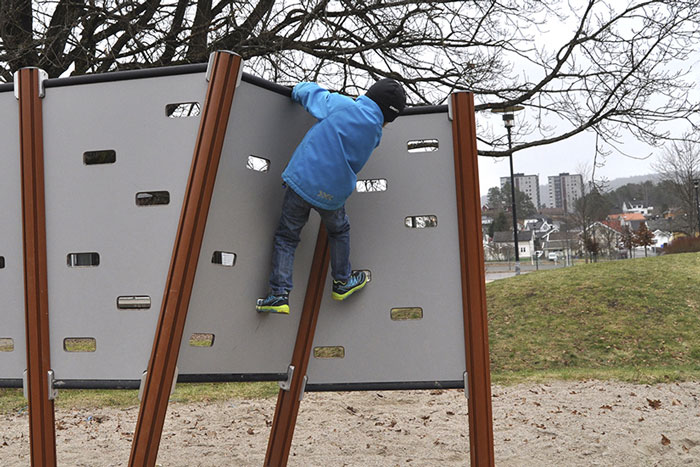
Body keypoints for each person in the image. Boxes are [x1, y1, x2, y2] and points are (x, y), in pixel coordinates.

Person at [256, 78, 407, 314]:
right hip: (333, 195)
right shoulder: (376, 134)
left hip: (302, 181)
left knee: (287, 237)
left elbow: (313, 97)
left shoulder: (343, 106)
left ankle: (279, 294)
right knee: (339, 231)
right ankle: (342, 280)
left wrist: (300, 86)